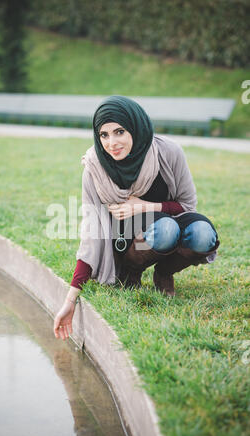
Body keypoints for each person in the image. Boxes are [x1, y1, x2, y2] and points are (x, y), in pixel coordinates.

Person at [54, 95, 220, 340]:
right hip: (128, 241)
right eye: (104, 135)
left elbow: (187, 206)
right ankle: (132, 272)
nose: (112, 143)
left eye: (120, 132)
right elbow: (91, 231)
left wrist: (143, 206)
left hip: (166, 220)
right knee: (165, 230)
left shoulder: (168, 152)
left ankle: (164, 272)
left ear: (135, 126)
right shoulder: (95, 168)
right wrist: (70, 298)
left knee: (204, 235)